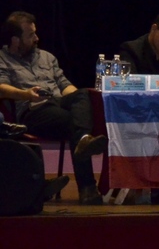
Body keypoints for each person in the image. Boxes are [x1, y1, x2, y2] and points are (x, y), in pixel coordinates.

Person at [0, 12, 106, 205]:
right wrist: (25, 94)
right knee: (75, 124)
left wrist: (79, 101)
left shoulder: (47, 57)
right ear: (15, 40)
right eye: (31, 35)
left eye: (35, 33)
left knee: (82, 94)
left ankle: (83, 140)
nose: (36, 38)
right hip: (33, 110)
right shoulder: (3, 59)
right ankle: (87, 187)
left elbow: (65, 85)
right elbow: (2, 88)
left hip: (58, 103)